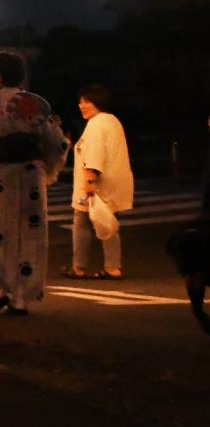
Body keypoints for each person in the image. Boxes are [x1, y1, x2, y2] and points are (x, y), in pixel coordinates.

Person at [0, 51, 69, 317]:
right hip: (28, 177)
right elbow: (56, 143)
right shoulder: (33, 105)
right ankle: (21, 296)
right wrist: (48, 168)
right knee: (28, 235)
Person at [68, 84, 134, 280]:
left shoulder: (97, 123)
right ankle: (113, 267)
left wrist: (90, 181)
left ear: (97, 102)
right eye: (80, 101)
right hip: (111, 183)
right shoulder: (112, 121)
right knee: (107, 223)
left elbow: (95, 154)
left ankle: (79, 267)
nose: (81, 105)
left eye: (85, 101)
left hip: (97, 184)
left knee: (82, 222)